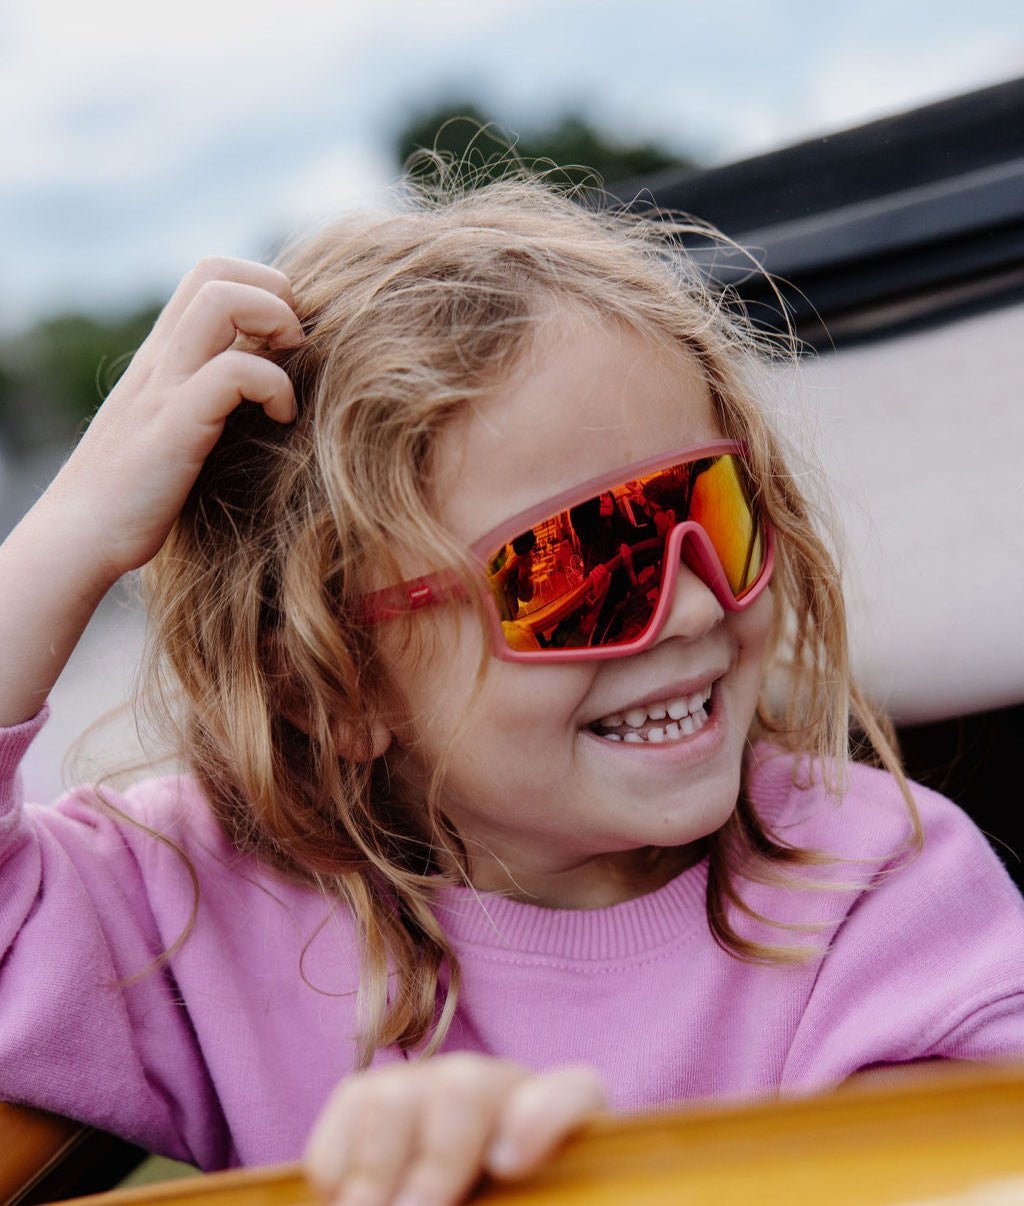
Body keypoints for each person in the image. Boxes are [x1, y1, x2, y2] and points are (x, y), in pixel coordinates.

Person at [2, 174, 1024, 1206]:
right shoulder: (201, 901)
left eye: (710, 513)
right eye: (574, 566)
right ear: (333, 690)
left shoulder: (877, 889)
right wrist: (62, 540)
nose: (690, 609)